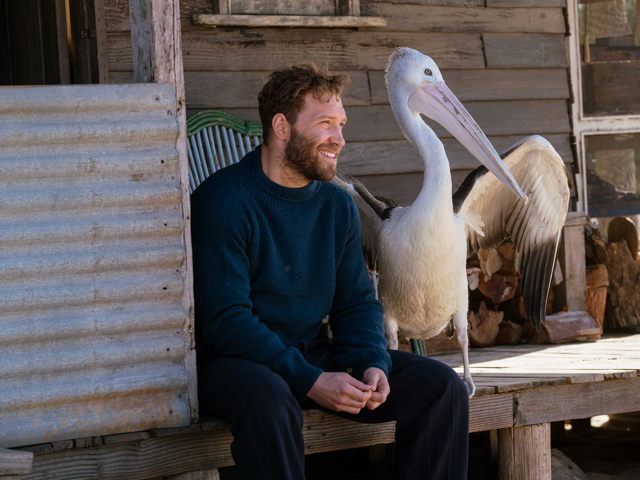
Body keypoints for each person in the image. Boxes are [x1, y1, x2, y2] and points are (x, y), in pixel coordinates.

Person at [190, 64, 469, 480]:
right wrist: (311, 381)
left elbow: (355, 302)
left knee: (442, 387)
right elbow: (226, 322)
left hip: (311, 353)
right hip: (236, 363)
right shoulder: (224, 201)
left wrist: (373, 362)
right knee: (271, 400)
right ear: (281, 127)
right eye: (324, 124)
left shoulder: (335, 206)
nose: (339, 139)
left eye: (340, 125)